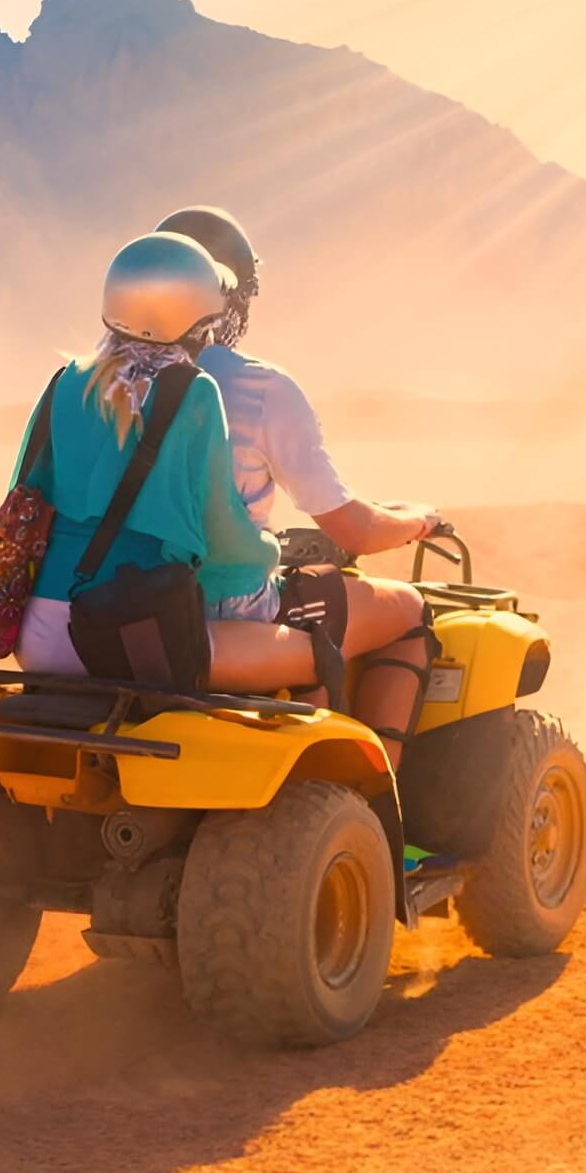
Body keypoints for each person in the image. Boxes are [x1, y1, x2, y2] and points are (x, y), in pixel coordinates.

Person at [152, 205, 443, 766]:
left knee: (314, 604)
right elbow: (351, 525)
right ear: (228, 295)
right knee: (405, 607)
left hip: (107, 606)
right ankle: (377, 803)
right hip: (222, 614)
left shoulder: (100, 382)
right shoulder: (258, 387)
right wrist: (415, 521)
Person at [13, 232, 321, 694]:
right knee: (318, 654)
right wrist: (267, 555)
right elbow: (219, 531)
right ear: (194, 320)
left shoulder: (65, 382)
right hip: (127, 636)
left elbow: (25, 493)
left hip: (36, 634)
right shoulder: (193, 392)